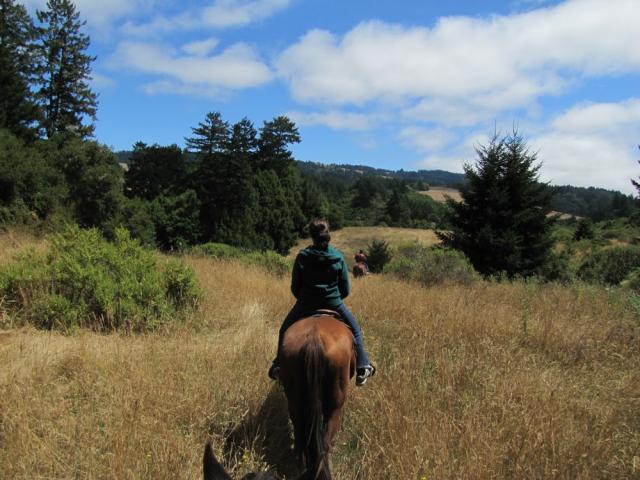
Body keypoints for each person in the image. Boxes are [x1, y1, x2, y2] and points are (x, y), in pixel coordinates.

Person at [268, 218, 376, 386]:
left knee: (284, 330)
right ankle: (363, 366)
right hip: (334, 304)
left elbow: (295, 287)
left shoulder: (302, 257)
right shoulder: (338, 257)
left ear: (311, 236)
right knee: (355, 331)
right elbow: (345, 290)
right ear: (328, 234)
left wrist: (305, 298)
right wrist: (333, 297)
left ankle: (279, 365)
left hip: (305, 304)